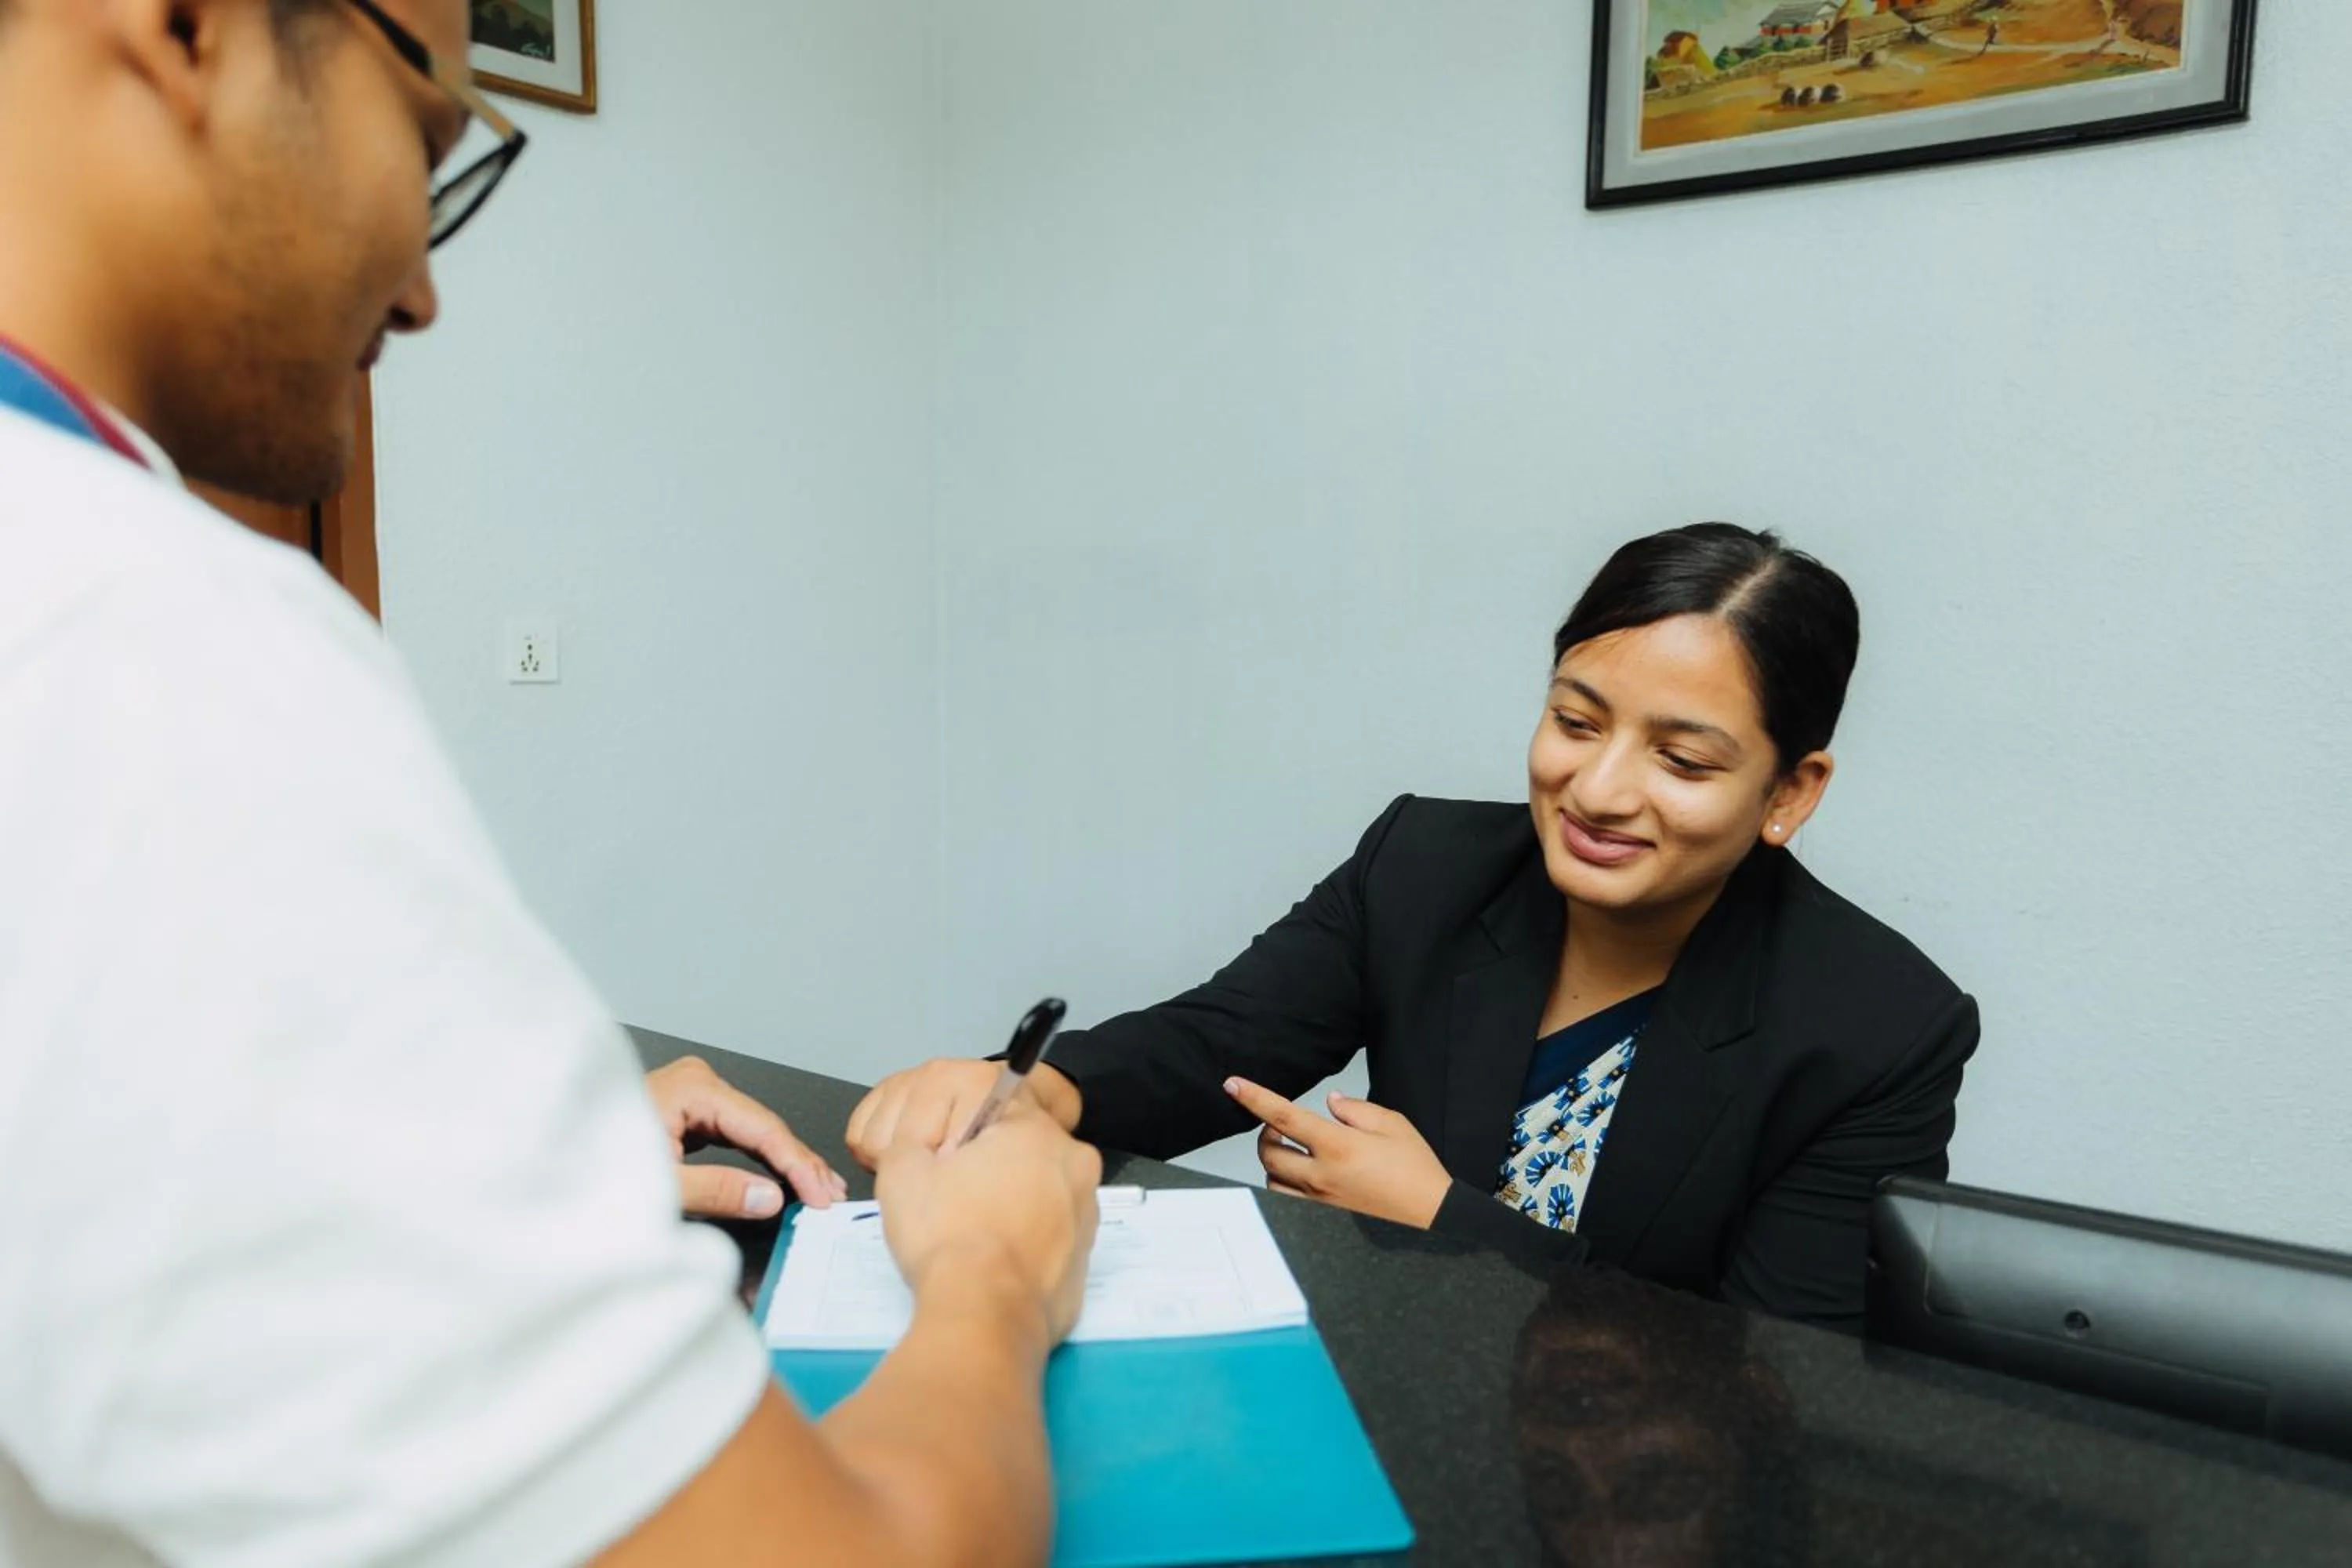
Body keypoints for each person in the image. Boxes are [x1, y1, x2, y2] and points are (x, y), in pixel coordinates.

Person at [0, 2, 1099, 1564]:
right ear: (184, 24)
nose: (428, 289)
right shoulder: (141, 640)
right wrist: (996, 1270)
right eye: (430, 138)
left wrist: (440, 1166)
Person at [853, 523, 1980, 1329]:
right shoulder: (1430, 863)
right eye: (1573, 722)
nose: (1597, 789)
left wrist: (1452, 1221)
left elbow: (1781, 1374)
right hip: (1400, 1407)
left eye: (1681, 760)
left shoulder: (1881, 1027)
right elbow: (1218, 1040)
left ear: (1791, 791)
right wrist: (1039, 1095)